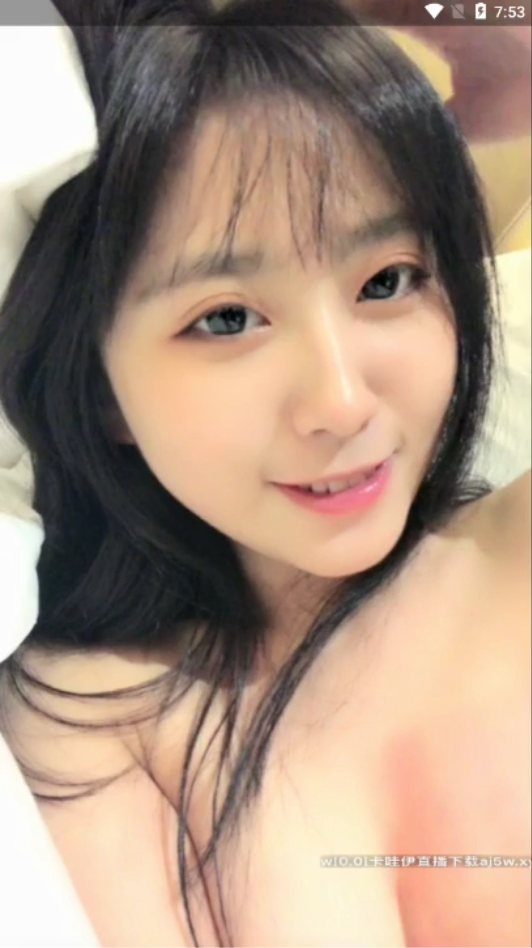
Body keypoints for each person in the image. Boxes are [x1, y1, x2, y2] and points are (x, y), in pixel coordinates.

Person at [0, 0, 530, 945]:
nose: (341, 402)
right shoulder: (82, 722)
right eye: (227, 319)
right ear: (102, 391)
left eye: (387, 281)